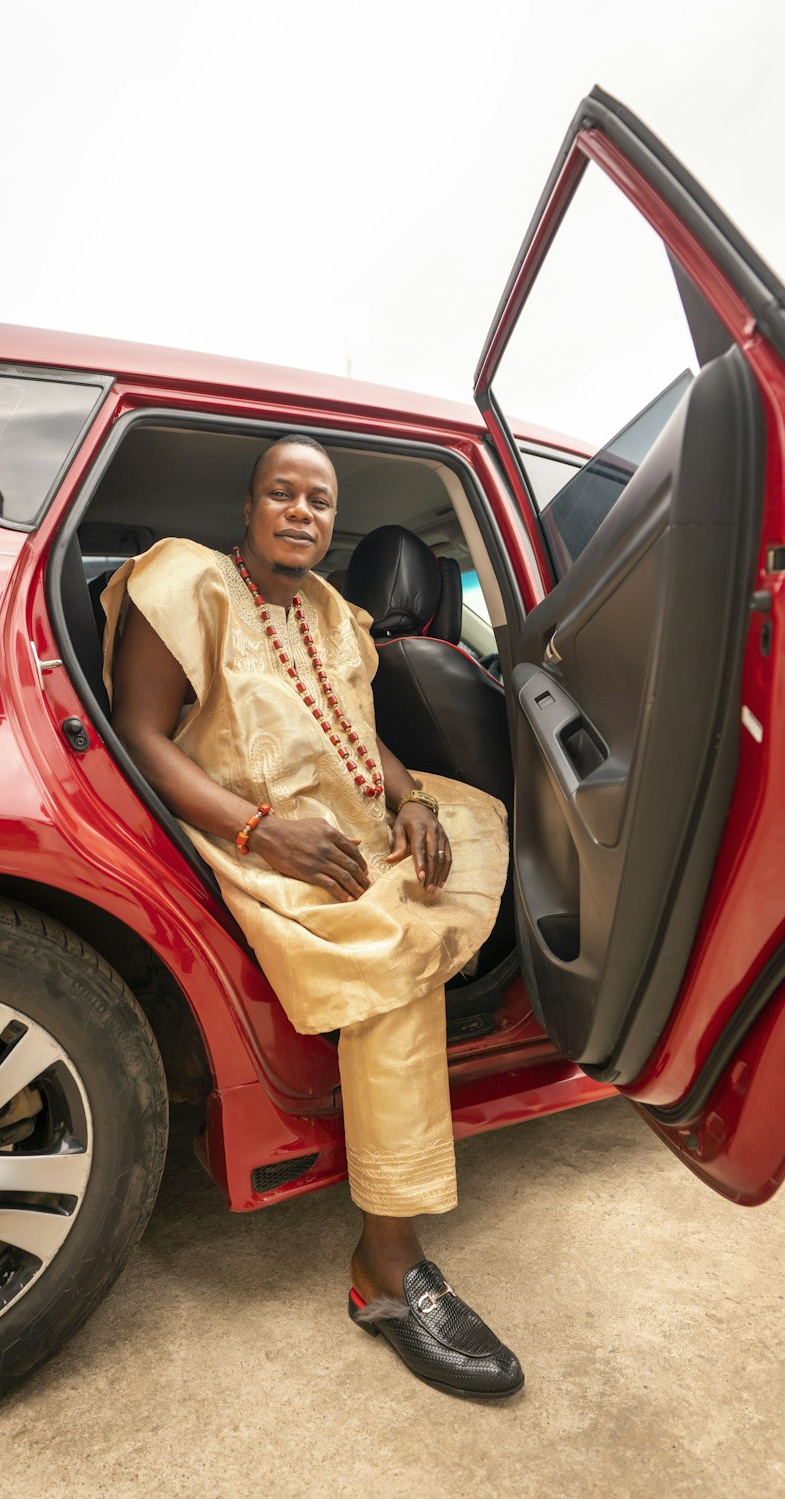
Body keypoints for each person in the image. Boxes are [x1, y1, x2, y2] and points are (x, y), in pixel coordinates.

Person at [103, 433, 522, 1398]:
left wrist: (410, 798)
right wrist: (260, 831)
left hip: (355, 826)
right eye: (282, 494)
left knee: (472, 824)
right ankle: (387, 1266)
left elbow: (362, 737)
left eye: (320, 501)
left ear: (334, 524)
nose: (302, 511)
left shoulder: (339, 612)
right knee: (396, 962)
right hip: (246, 836)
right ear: (247, 509)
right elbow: (139, 732)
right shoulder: (187, 579)